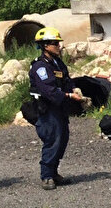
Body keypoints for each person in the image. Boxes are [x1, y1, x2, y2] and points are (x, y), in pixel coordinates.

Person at [28, 27, 84, 190]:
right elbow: (49, 91)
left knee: (62, 140)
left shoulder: (58, 63)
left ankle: (53, 172)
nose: (58, 46)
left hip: (60, 109)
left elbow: (66, 80)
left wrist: (73, 89)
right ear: (45, 46)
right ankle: (46, 176)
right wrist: (68, 96)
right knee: (52, 141)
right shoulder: (40, 67)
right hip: (48, 111)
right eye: (55, 44)